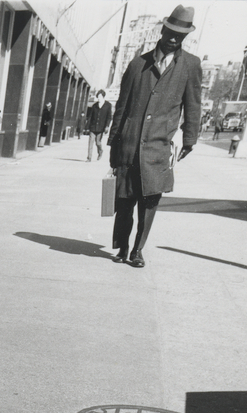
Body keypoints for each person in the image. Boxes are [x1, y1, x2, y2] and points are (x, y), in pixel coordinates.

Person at [107, 5, 201, 268]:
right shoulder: (138, 64)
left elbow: (193, 105)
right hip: (129, 145)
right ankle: (122, 247)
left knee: (149, 204)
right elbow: (122, 106)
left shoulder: (191, 65)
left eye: (181, 35)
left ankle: (138, 250)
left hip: (159, 148)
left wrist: (189, 139)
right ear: (163, 30)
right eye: (171, 32)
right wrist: (113, 141)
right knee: (124, 202)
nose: (174, 39)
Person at [85, 89, 112, 161]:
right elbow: (90, 116)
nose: (98, 98)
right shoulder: (94, 106)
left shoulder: (108, 105)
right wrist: (87, 126)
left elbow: (109, 117)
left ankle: (100, 152)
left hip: (101, 128)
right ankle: (89, 158)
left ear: (103, 97)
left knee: (98, 142)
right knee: (90, 142)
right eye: (98, 97)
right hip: (93, 127)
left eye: (100, 97)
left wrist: (107, 126)